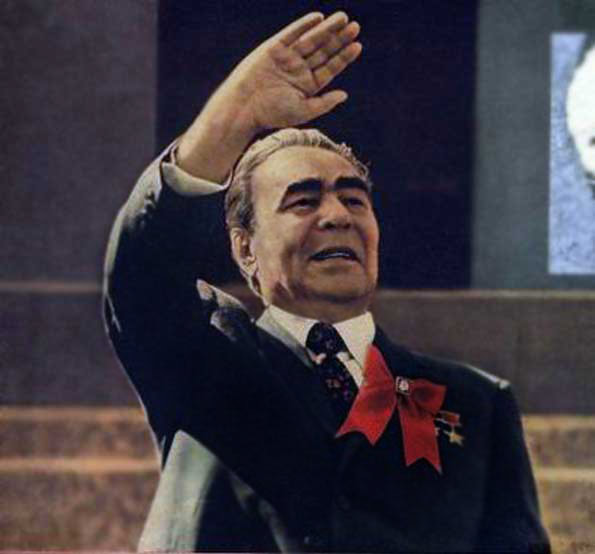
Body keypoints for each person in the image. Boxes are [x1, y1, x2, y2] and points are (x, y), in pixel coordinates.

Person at [104, 12, 550, 553]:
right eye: (303, 201)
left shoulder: (475, 405)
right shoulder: (201, 362)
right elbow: (142, 271)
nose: (337, 216)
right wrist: (234, 115)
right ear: (245, 248)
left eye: (354, 199)